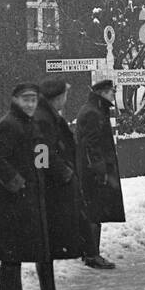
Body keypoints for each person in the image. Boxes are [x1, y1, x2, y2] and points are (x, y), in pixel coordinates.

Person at [0, 82, 77, 290]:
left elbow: (39, 155)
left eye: (33, 100)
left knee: (17, 251)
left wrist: (42, 178)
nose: (30, 104)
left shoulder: (28, 124)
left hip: (28, 197)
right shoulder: (8, 125)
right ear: (15, 100)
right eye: (25, 100)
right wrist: (18, 183)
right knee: (10, 253)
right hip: (11, 200)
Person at [33, 78, 91, 273]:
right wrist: (63, 172)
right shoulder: (43, 118)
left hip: (52, 184)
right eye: (65, 95)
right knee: (46, 242)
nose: (66, 99)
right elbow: (41, 152)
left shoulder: (48, 115)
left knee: (47, 241)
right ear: (57, 97)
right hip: (50, 187)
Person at [74, 74, 124, 269]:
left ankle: (88, 252)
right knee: (94, 213)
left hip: (90, 170)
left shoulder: (93, 110)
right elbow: (92, 145)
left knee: (92, 212)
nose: (114, 94)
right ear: (103, 93)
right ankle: (92, 254)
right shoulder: (94, 113)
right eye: (112, 91)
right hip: (93, 172)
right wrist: (100, 170)